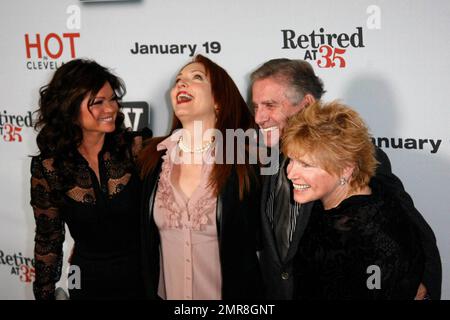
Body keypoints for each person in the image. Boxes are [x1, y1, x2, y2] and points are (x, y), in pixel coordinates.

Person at [250, 58, 441, 300]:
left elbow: (412, 229)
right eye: (255, 106)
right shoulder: (270, 159)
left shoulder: (353, 155)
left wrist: (420, 287)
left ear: (306, 103)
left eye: (269, 105)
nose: (258, 118)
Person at [138, 54, 263, 300]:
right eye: (178, 80)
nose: (181, 84)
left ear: (218, 100)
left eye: (196, 78)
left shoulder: (246, 162)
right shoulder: (152, 159)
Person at [30, 59, 151, 300]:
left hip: (143, 279)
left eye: (112, 99)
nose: (111, 109)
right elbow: (49, 238)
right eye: (98, 102)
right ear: (70, 110)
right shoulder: (48, 167)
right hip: (85, 280)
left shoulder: (135, 149)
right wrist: (45, 293)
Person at [283, 101, 424, 299]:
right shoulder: (324, 205)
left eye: (306, 165)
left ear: (346, 168)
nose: (290, 174)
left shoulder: (372, 234)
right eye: (291, 160)